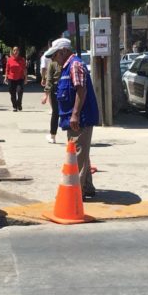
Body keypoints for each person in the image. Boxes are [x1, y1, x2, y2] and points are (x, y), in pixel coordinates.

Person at [45, 38, 99, 198]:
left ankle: (77, 191)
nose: (53, 60)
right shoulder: (67, 67)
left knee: (77, 155)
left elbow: (81, 90)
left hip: (79, 119)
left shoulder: (74, 65)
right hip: (73, 119)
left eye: (55, 56)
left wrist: (75, 114)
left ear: (63, 51)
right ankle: (87, 186)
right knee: (81, 152)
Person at [41, 46, 61, 144]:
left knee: (55, 113)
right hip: (65, 89)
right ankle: (73, 137)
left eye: (52, 57)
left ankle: (53, 136)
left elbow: (49, 81)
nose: (52, 59)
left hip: (56, 90)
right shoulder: (68, 63)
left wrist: (46, 94)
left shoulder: (52, 64)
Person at [5, 46, 27, 111]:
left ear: (19, 51)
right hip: (11, 78)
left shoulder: (22, 59)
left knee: (20, 91)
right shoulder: (9, 60)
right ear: (13, 51)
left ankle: (19, 104)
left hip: (20, 78)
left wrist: (26, 78)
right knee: (12, 93)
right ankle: (14, 106)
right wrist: (6, 77)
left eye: (17, 50)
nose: (15, 51)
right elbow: (7, 69)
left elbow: (24, 70)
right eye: (14, 50)